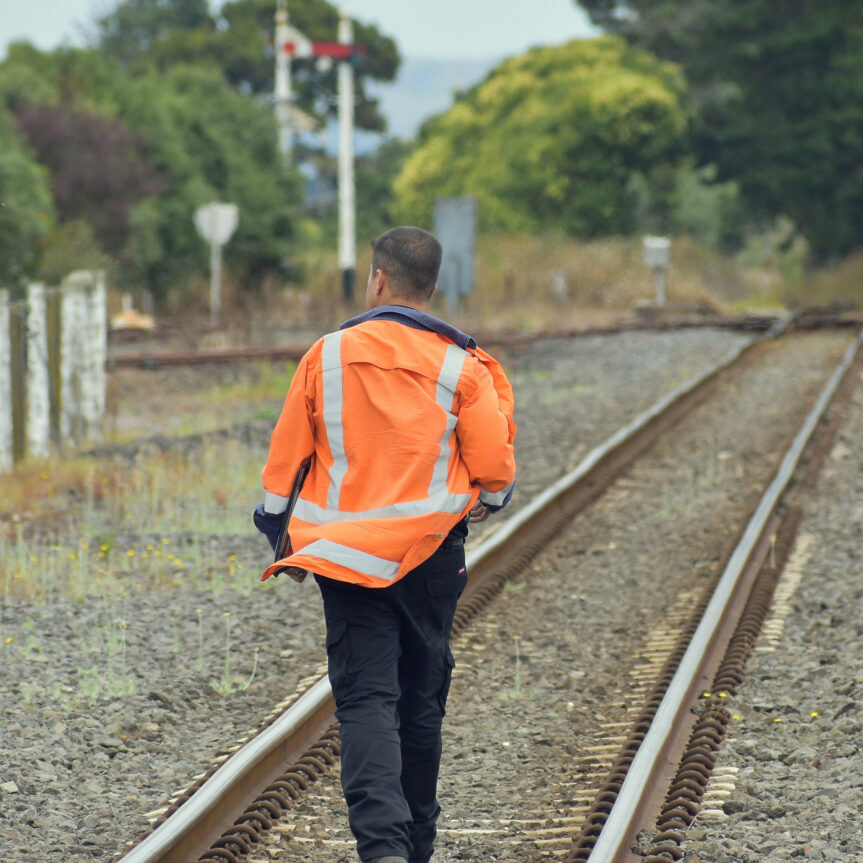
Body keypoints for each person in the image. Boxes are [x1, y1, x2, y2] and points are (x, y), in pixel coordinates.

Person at [254, 226, 516, 863]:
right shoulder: (464, 365)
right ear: (432, 286)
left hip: (347, 558)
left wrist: (277, 532)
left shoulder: (328, 355)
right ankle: (415, 847)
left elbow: (285, 462)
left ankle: (384, 852)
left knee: (367, 698)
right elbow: (494, 471)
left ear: (377, 280)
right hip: (431, 556)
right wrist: (488, 499)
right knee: (421, 698)